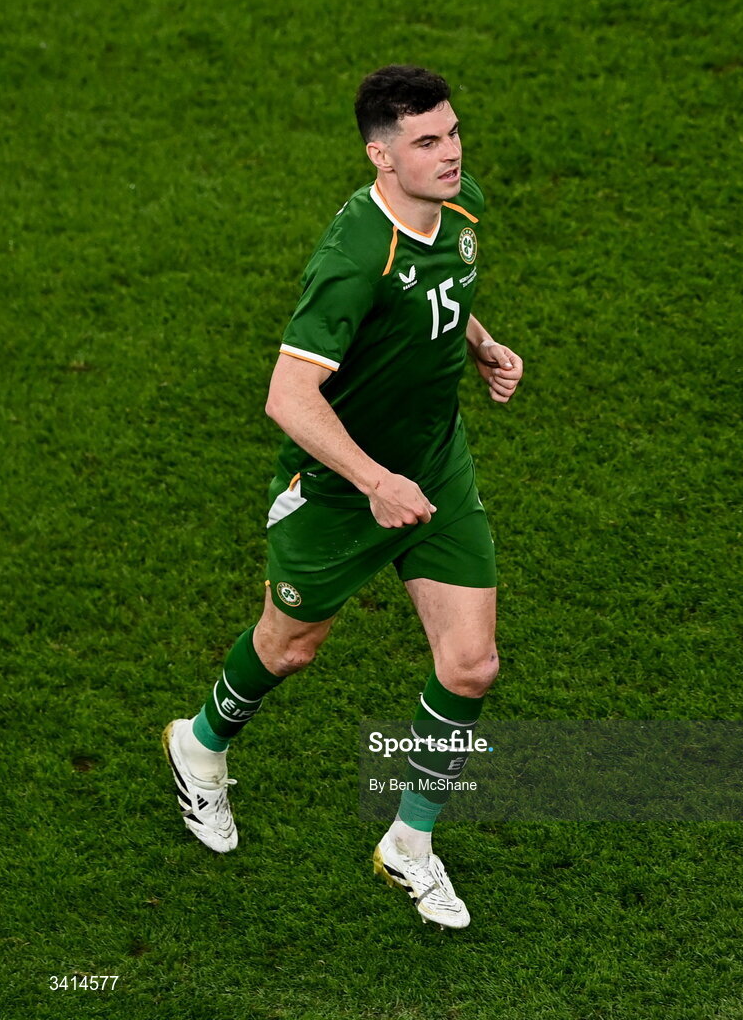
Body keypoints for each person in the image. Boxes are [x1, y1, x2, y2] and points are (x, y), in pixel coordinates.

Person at [163, 64, 523, 930]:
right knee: (292, 648)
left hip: (434, 468)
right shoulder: (355, 256)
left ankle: (409, 841)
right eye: (427, 142)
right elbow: (287, 397)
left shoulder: (459, 205)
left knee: (471, 664)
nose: (451, 153)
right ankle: (199, 746)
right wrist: (375, 482)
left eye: (453, 132)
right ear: (380, 156)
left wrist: (478, 341)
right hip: (339, 489)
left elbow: (445, 290)